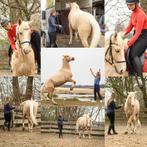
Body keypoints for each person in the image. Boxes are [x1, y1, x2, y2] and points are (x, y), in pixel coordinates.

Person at [123, 0, 147, 76]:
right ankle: (131, 73)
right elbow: (129, 27)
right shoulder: (133, 14)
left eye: (131, 5)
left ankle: (140, 75)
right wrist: (122, 34)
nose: (129, 7)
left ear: (136, 4)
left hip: (144, 36)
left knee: (133, 54)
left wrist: (129, 44)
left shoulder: (141, 14)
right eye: (128, 5)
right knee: (128, 53)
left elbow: (138, 33)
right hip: (138, 35)